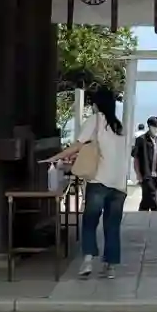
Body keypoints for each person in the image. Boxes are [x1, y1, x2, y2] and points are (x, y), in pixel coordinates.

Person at [58, 84, 130, 279]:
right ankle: (110, 267)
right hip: (119, 184)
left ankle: (88, 260)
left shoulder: (95, 120)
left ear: (96, 104)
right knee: (112, 225)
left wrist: (55, 157)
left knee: (90, 221)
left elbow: (77, 145)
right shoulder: (119, 126)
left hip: (99, 181)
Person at [132, 117, 157, 212]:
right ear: (149, 126)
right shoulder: (141, 139)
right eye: (154, 126)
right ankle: (156, 214)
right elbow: (136, 158)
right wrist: (138, 174)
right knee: (152, 195)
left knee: (146, 197)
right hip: (146, 173)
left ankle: (142, 214)